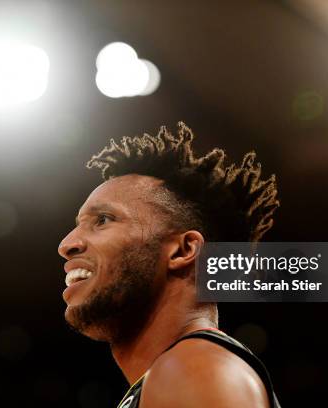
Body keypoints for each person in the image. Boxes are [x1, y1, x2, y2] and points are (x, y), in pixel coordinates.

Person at [58, 122, 281, 407]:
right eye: (78, 225)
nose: (66, 244)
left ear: (183, 250)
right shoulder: (175, 373)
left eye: (102, 220)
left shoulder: (193, 370)